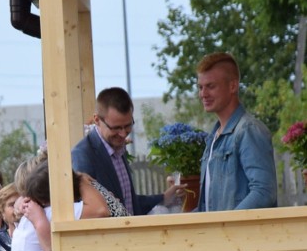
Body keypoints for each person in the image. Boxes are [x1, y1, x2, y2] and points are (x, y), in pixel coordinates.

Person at [71, 87, 181, 215]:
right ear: (97, 120)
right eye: (116, 128)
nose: (123, 134)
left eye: (128, 125)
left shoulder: (116, 148)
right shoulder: (83, 155)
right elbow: (89, 211)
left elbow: (127, 203)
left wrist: (164, 198)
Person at [196, 52, 277, 211]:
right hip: (220, 234)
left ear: (233, 86)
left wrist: (228, 224)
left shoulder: (248, 130)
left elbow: (265, 191)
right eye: (200, 87)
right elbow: (209, 207)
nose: (203, 94)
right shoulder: (214, 137)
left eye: (211, 86)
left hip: (241, 235)